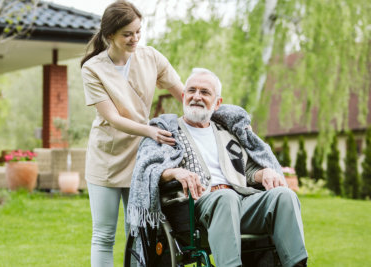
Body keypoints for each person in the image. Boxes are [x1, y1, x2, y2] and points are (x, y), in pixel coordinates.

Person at [128, 68, 308, 267]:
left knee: (284, 196)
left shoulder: (227, 134)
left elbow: (245, 172)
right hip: (194, 209)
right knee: (226, 197)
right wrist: (174, 171)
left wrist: (264, 172)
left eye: (205, 92)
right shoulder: (167, 132)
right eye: (192, 91)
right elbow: (147, 169)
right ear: (183, 96)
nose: (197, 96)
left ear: (217, 103)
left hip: (240, 203)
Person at [80, 1, 184, 266]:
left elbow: (184, 94)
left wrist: (214, 115)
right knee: (103, 235)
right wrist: (150, 130)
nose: (135, 38)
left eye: (138, 31)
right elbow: (113, 118)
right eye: (127, 34)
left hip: (141, 159)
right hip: (106, 158)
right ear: (110, 35)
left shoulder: (151, 57)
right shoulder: (92, 68)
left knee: (137, 232)